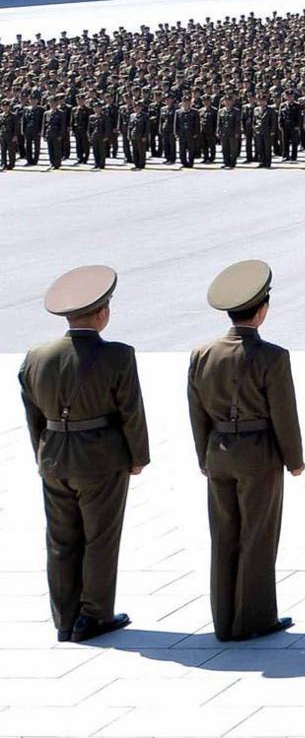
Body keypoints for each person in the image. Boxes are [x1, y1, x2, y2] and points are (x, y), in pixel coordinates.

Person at [21, 265, 147, 643]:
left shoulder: (36, 357)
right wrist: (137, 456)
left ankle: (64, 617)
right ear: (103, 312)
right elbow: (130, 411)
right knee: (100, 538)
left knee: (60, 541)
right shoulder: (118, 356)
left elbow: (33, 417)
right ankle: (93, 615)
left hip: (54, 457)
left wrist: (43, 453)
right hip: (101, 460)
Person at [188, 260, 303, 643]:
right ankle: (254, 617)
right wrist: (294, 459)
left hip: (218, 450)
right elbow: (283, 413)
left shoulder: (202, 354)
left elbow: (196, 410)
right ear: (262, 309)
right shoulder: (272, 356)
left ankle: (224, 618)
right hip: (258, 454)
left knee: (223, 535)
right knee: (257, 536)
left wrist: (204, 455)